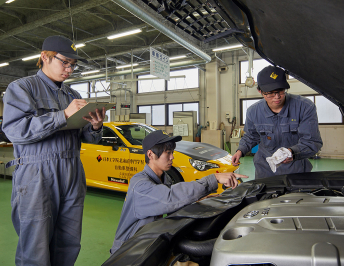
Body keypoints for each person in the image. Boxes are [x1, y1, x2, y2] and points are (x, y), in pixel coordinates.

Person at [2, 35, 105, 266]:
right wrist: (63, 115)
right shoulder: (21, 88)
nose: (69, 69)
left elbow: (85, 136)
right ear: (44, 57)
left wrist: (95, 126)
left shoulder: (73, 95)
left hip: (71, 171)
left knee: (68, 241)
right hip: (36, 174)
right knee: (35, 245)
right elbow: (16, 131)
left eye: (73, 65)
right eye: (64, 62)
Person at [110, 130, 247, 254]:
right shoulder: (140, 185)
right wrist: (214, 178)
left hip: (148, 243)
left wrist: (203, 199)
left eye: (172, 152)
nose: (172, 157)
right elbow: (170, 198)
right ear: (150, 154)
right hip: (128, 252)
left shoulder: (165, 178)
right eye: (167, 153)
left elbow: (175, 203)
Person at [232, 65, 322, 179]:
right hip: (265, 171)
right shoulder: (253, 112)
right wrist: (240, 150)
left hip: (296, 170)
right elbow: (251, 136)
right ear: (260, 91)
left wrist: (292, 153)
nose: (277, 97)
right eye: (270, 93)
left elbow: (313, 142)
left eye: (280, 90)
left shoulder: (304, 107)